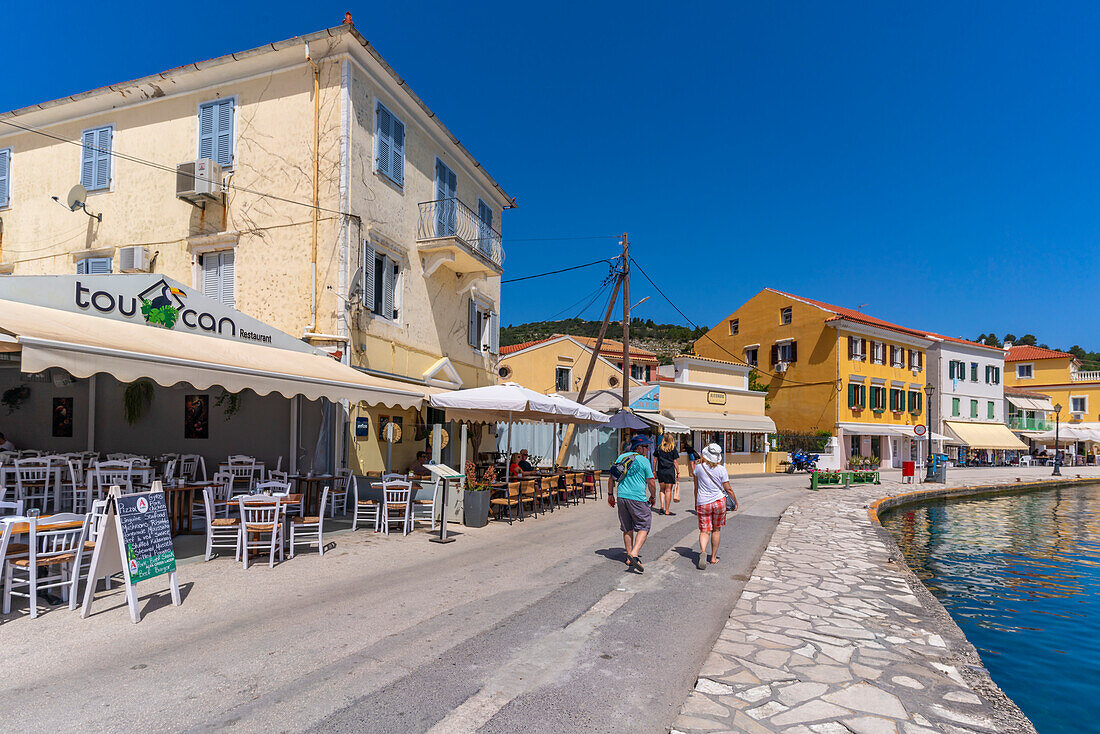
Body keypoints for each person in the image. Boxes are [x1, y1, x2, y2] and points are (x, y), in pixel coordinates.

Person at [607, 434, 657, 573]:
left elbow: (611, 478)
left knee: (627, 527)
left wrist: (610, 494)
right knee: (644, 525)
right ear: (639, 448)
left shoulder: (621, 457)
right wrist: (653, 496)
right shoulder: (644, 460)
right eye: (646, 446)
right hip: (638, 498)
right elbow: (651, 482)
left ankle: (629, 557)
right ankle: (634, 553)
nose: (648, 449)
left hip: (621, 496)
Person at [693, 442, 737, 571]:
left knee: (704, 530)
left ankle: (702, 551)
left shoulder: (698, 468)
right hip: (719, 502)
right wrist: (735, 501)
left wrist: (696, 502)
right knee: (716, 530)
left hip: (703, 502)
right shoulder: (722, 469)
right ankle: (713, 558)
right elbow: (727, 488)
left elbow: (696, 488)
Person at [653, 434, 680, 515]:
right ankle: (667, 510)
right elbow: (675, 462)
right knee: (668, 490)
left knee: (662, 489)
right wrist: (678, 472)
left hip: (661, 471)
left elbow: (655, 460)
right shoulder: (673, 449)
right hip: (670, 471)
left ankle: (661, 506)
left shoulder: (659, 448)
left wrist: (654, 470)